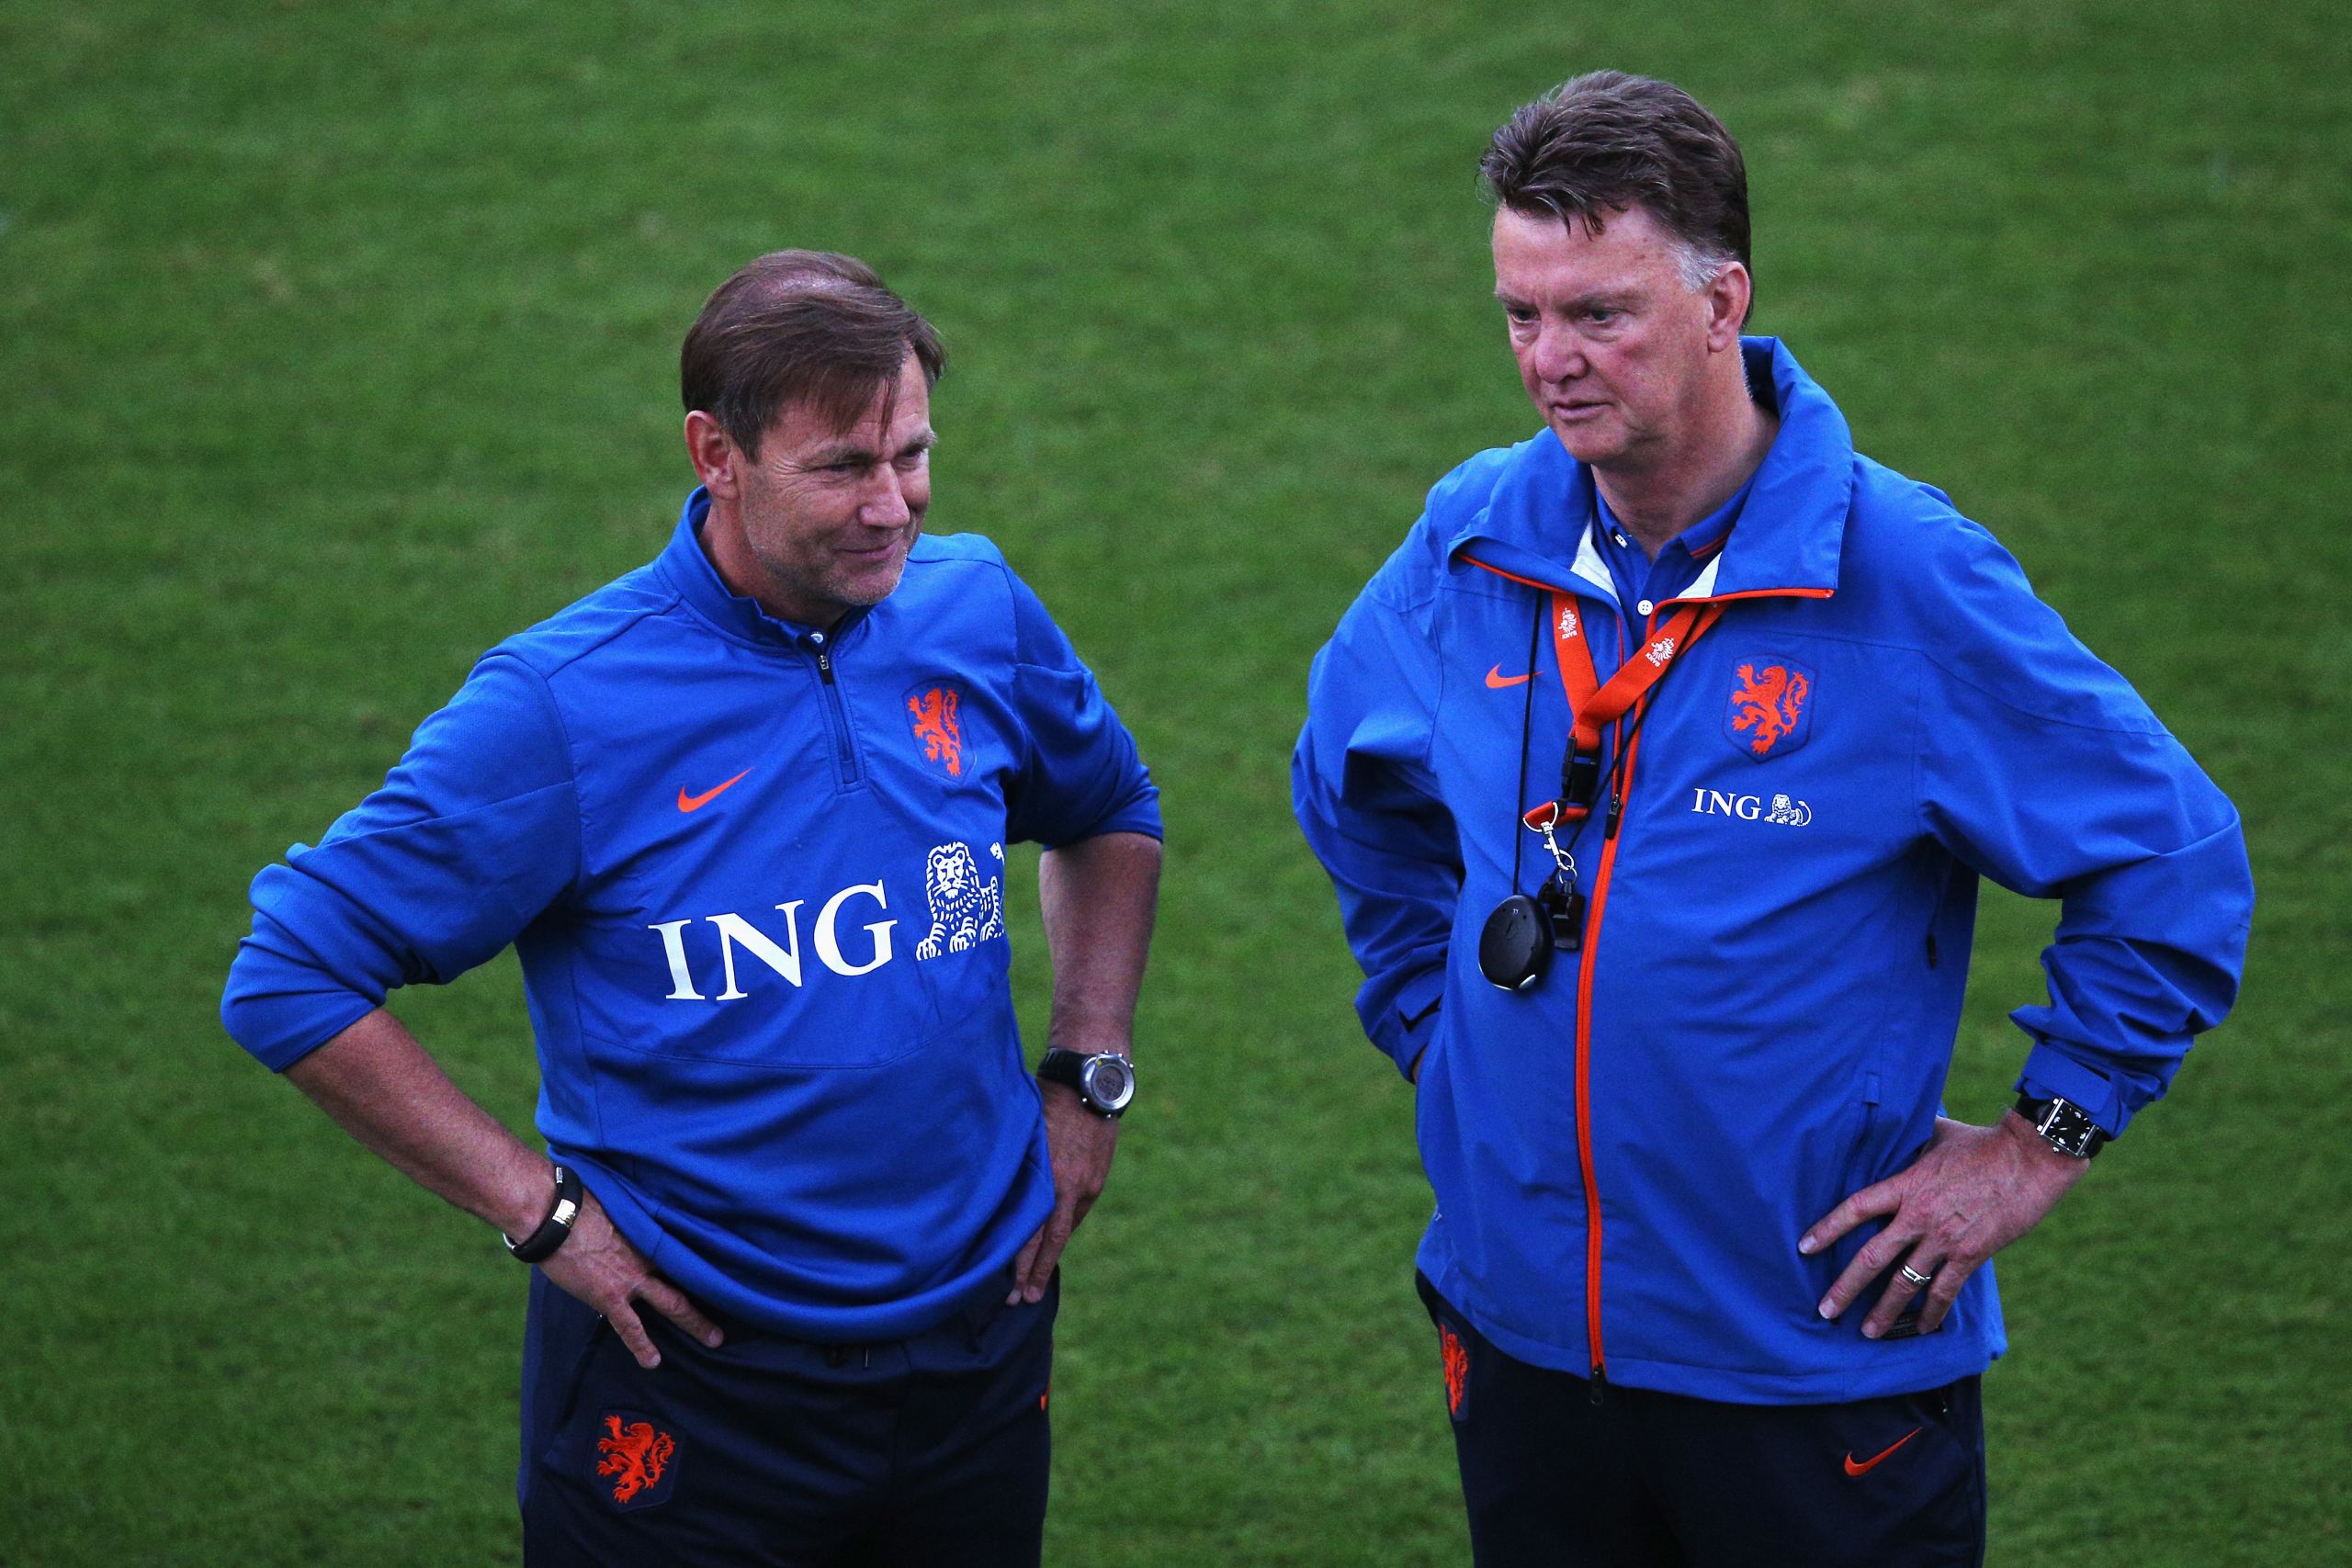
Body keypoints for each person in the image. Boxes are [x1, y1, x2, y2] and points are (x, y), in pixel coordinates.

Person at [1292, 73, 2251, 1565]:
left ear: (1722, 300)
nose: (1550, 361)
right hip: (1522, 1331)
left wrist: (2039, 1143)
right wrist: (1436, 1019)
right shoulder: (1476, 535)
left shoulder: (1907, 580)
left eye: (1599, 313)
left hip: (1810, 1363)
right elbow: (1346, 782)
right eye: (1519, 314)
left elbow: (2172, 857)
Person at [220, 250, 1163, 1566]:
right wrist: (540, 1212)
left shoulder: (975, 608)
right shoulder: (563, 705)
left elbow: (1108, 808)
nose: (891, 506)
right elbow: (291, 975)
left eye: (912, 455)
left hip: (982, 1345)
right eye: (842, 466)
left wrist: (1089, 1069)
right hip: (693, 1379)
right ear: (716, 454)